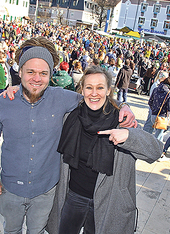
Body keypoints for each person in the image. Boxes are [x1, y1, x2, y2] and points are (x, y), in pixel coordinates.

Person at [0, 37, 136, 234]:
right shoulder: (4, 102)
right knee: (11, 230)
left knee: (37, 231)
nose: (36, 78)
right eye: (30, 72)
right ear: (19, 72)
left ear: (50, 75)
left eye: (43, 73)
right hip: (10, 187)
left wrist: (124, 106)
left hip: (45, 191)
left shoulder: (61, 97)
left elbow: (95, 97)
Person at [46, 66, 162, 234]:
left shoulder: (122, 120)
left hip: (108, 201)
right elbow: (41, 94)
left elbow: (156, 150)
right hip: (74, 196)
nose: (94, 93)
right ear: (82, 90)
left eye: (100, 87)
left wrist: (129, 137)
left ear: (108, 90)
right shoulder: (70, 117)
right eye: (89, 87)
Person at [144, 76, 170, 144]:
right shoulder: (169, 93)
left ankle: (159, 149)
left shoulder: (155, 89)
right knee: (158, 135)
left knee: (159, 134)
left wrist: (154, 109)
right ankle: (153, 149)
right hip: (162, 117)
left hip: (153, 114)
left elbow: (150, 102)